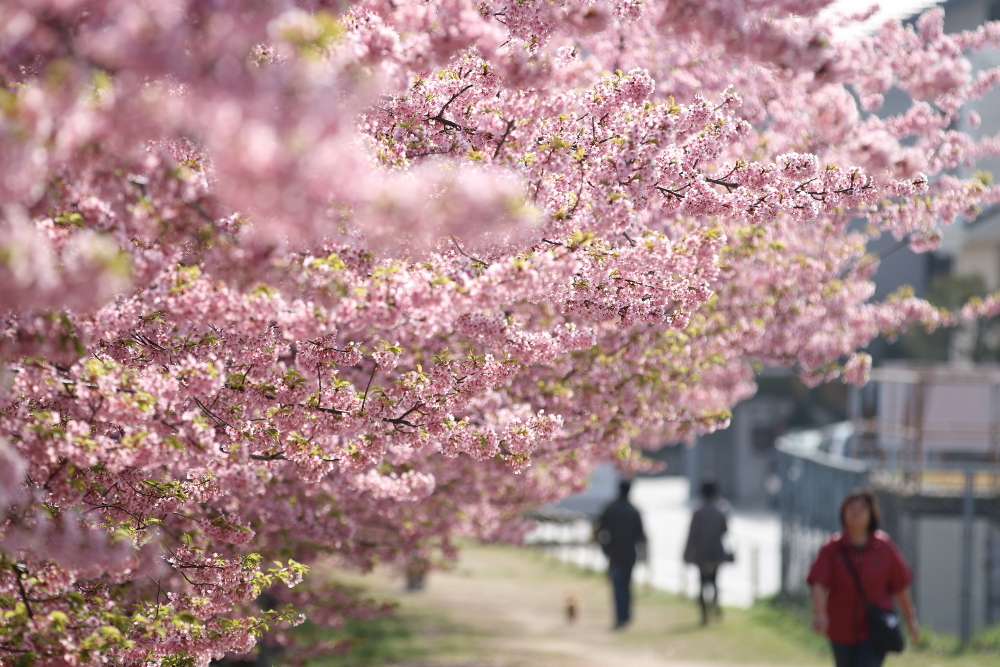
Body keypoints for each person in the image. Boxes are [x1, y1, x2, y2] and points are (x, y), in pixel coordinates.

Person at [807, 488, 919, 667]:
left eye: (861, 509)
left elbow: (900, 585)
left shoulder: (883, 547)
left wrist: (910, 619)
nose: (856, 513)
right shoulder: (832, 548)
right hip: (841, 628)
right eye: (851, 509)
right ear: (843, 513)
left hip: (873, 629)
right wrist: (819, 613)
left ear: (871, 514)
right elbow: (818, 582)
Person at [596, 479, 646, 629]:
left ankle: (620, 616)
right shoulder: (634, 510)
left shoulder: (611, 508)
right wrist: (644, 555)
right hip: (630, 553)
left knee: (618, 586)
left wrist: (604, 549)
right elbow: (641, 535)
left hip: (615, 553)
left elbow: (599, 530)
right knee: (627, 584)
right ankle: (626, 615)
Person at [683, 477, 731, 625]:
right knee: (715, 581)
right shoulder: (721, 510)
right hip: (716, 550)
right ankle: (715, 605)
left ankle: (704, 614)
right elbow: (725, 530)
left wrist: (686, 553)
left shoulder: (698, 511)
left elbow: (692, 534)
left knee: (702, 582)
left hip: (700, 551)